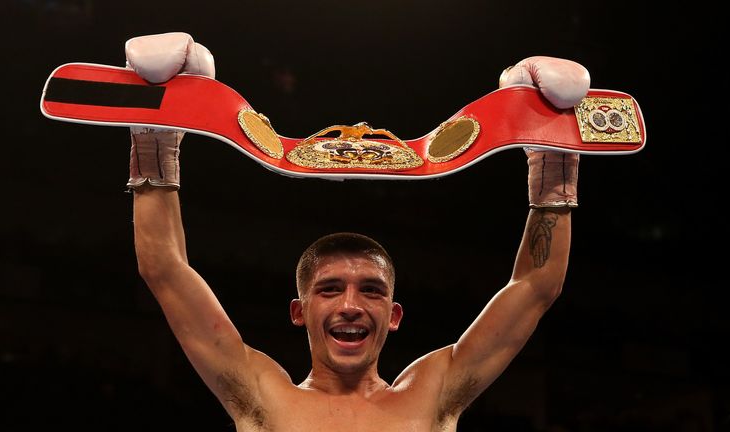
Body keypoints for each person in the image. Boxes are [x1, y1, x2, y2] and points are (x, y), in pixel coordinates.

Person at [126, 32, 587, 431]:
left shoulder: (432, 395)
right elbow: (165, 270)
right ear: (299, 311)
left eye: (371, 290)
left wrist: (552, 162)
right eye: (329, 289)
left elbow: (535, 287)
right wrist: (153, 140)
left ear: (393, 314)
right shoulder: (261, 396)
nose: (350, 306)